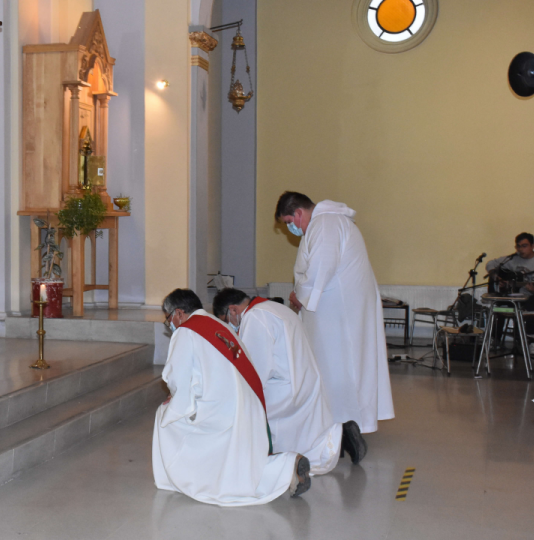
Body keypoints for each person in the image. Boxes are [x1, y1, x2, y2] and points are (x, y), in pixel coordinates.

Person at [153, 288, 311, 505]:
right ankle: (286, 466)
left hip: (224, 411)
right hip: (251, 405)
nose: (170, 324)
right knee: (238, 463)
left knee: (165, 420)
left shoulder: (186, 331)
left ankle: (181, 478)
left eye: (168, 318)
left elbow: (177, 379)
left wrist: (175, 403)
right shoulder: (220, 325)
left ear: (179, 313)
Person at [275, 191, 395, 434]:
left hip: (338, 315)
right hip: (338, 311)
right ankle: (343, 423)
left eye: (289, 222)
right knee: (340, 366)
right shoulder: (328, 223)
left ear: (299, 213)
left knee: (339, 366)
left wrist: (300, 296)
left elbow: (322, 266)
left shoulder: (326, 224)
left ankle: (344, 425)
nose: (291, 229)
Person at [213, 288, 366, 474]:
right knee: (307, 435)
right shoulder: (275, 307)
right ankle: (342, 436)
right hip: (306, 381)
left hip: (285, 390)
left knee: (252, 418)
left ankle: (285, 464)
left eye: (226, 321)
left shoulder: (255, 318)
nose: (231, 328)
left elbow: (255, 370)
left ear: (233, 310)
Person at [486, 233, 534, 312]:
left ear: (532, 246)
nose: (520, 249)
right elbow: (491, 264)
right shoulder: (513, 259)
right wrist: (495, 276)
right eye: (518, 246)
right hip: (513, 297)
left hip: (530, 299)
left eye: (524, 246)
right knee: (498, 309)